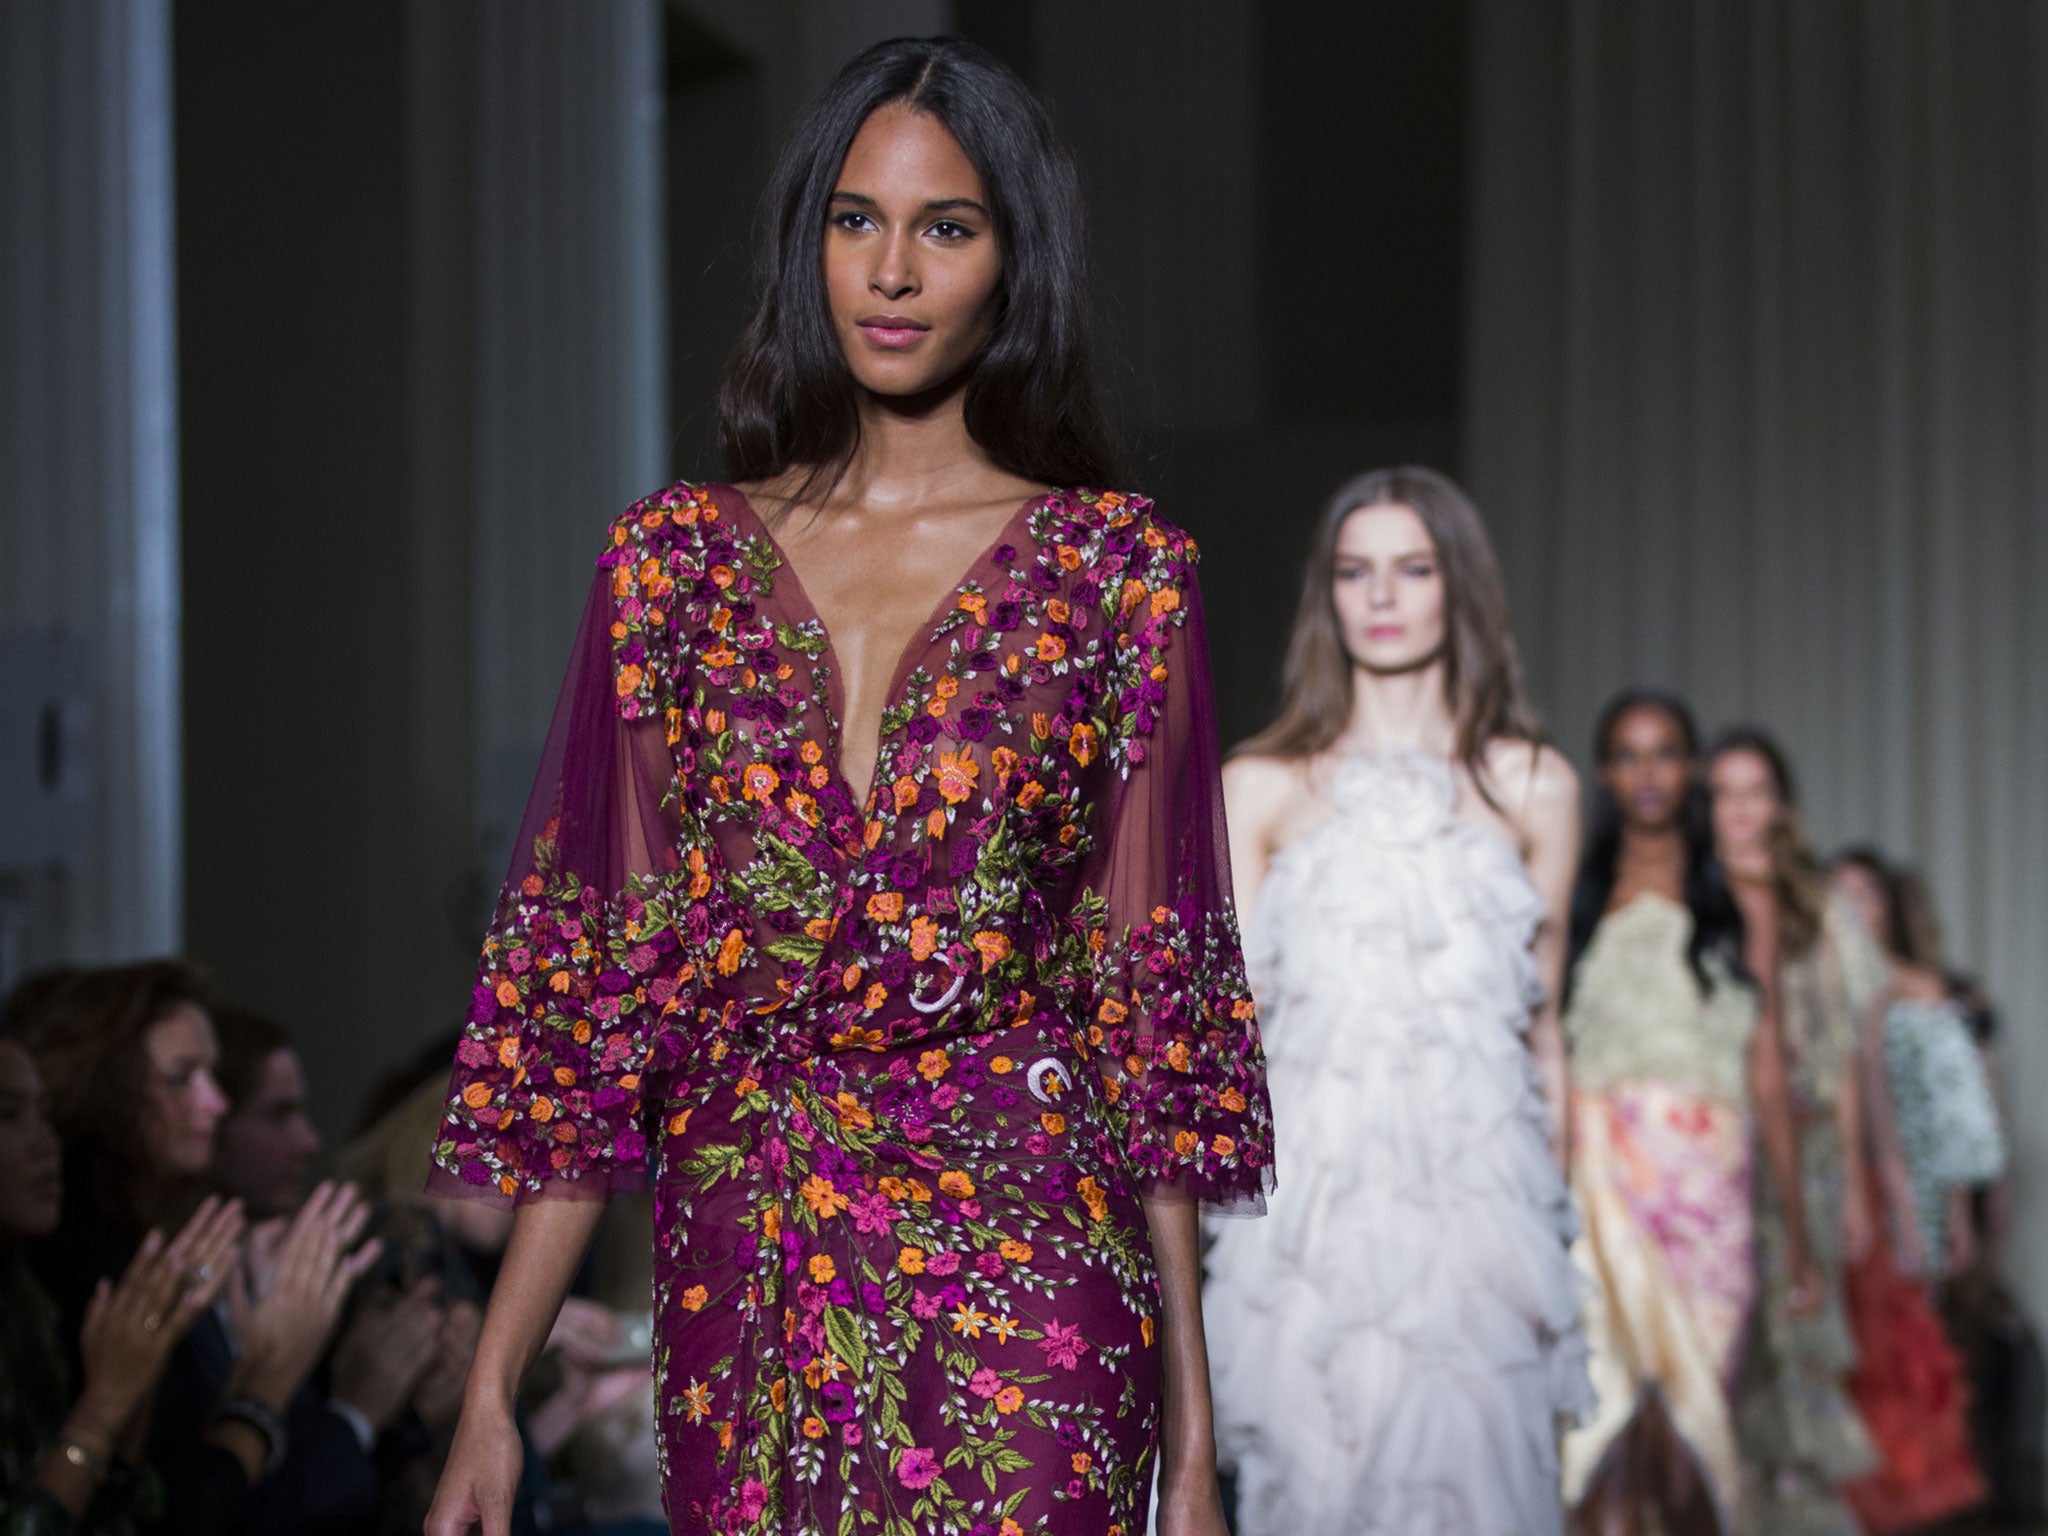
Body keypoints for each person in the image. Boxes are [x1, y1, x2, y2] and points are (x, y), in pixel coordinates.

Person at [424, 37, 1273, 1536]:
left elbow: (1149, 1020)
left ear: (1015, 261)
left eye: (945, 226)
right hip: (745, 1254)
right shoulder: (672, 567)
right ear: (806, 243)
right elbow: (594, 1002)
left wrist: (1195, 1458)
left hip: (1034, 1264)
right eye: (853, 220)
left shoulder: (1117, 574)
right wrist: (494, 1392)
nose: (891, 270)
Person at [1199, 467, 1589, 1535]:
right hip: (1310, 1232)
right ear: (1325, 596)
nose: (1380, 597)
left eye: (1411, 570)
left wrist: (1553, 1245)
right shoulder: (1258, 788)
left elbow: (1540, 1034)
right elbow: (1225, 1041)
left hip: (1477, 1230)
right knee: (1318, 1490)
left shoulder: (1534, 787)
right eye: (1353, 572)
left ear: (1454, 588)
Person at [1560, 694, 1819, 1536]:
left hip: (1713, 1187)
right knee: (1608, 1428)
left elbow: (1770, 1065)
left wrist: (1801, 1232)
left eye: (1665, 752)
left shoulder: (1741, 895)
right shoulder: (1576, 891)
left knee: (1698, 1427)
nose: (1647, 773)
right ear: (1605, 772)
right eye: (1628, 755)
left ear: (1691, 769)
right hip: (1602, 1183)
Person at [16, 962, 386, 1534]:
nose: (216, 1103)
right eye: (183, 1076)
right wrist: (265, 1380)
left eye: (213, 1076)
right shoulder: (84, 1262)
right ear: (107, 1086)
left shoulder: (155, 1238)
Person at [1705, 730, 1881, 1535]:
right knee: (1725, 1348)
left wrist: (1852, 1178)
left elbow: (1844, 1059)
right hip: (1711, 1159)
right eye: (1724, 791)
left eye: (1756, 791)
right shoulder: (1689, 899)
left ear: (1781, 805)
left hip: (1804, 1160)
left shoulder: (1820, 910)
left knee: (1799, 1341)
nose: (1741, 810)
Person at [2, 1030, 242, 1534]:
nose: (43, 1140)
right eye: (7, 1114)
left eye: (41, 1113)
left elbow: (121, 1517)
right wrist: (104, 1405)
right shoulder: (73, 1269)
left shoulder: (26, 1294)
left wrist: (133, 1386)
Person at [1829, 850, 1995, 1533]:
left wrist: (1953, 1206)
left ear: (1890, 905)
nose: (1854, 907)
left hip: (1905, 1183)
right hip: (1831, 1181)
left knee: (1900, 1348)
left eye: (1866, 894)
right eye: (1838, 894)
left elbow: (1949, 1108)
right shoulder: (1816, 981)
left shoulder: (1919, 990)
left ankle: (1898, 1496)